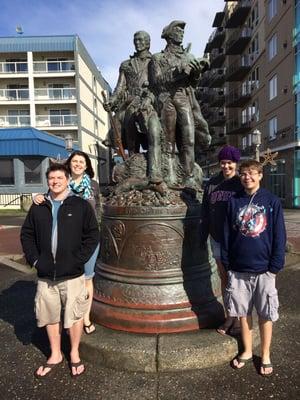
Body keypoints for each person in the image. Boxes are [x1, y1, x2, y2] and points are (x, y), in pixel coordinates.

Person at [21, 163, 100, 378]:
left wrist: (79, 260)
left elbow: (93, 235)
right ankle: (55, 354)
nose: (55, 182)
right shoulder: (38, 206)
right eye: (51, 179)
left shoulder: (80, 205)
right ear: (48, 181)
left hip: (73, 273)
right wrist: (35, 261)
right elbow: (27, 235)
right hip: (46, 275)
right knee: (50, 316)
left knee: (74, 316)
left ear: (67, 180)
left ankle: (74, 353)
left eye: (59, 178)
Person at [221, 160, 286, 376]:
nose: (246, 177)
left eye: (251, 173)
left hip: (264, 269)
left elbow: (279, 235)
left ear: (260, 175)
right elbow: (227, 234)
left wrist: (275, 266)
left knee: (266, 314)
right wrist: (227, 262)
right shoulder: (234, 201)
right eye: (243, 174)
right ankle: (248, 351)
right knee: (242, 313)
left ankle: (265, 354)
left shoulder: (272, 201)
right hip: (238, 270)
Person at [34, 150, 100, 335]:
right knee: (66, 281)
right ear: (69, 164)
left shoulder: (93, 185)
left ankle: (84, 317)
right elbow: (49, 200)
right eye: (75, 161)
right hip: (66, 240)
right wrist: (36, 197)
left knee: (87, 279)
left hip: (87, 238)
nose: (78, 164)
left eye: (82, 161)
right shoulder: (61, 182)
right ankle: (65, 316)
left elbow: (99, 209)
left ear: (87, 166)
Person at [149, 20, 211, 187]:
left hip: (183, 97)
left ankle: (189, 176)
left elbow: (193, 84)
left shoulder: (188, 56)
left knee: (189, 139)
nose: (181, 33)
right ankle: (169, 175)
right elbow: (156, 82)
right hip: (166, 98)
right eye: (177, 30)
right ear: (168, 35)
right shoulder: (157, 58)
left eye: (182, 31)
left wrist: (197, 72)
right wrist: (178, 71)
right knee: (168, 142)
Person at [104, 30, 163, 184]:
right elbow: (120, 87)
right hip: (130, 101)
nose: (138, 43)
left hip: (150, 100)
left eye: (141, 40)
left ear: (148, 42)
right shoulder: (126, 65)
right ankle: (131, 159)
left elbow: (159, 84)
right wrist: (111, 100)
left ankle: (155, 162)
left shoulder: (156, 61)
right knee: (126, 122)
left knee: (153, 127)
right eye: (135, 40)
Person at [200, 145, 242, 336]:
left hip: (235, 240)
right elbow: (205, 211)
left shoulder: (241, 183)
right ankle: (230, 315)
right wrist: (203, 235)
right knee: (224, 278)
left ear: (236, 163)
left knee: (237, 279)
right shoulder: (212, 183)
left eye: (230, 163)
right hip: (216, 238)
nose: (226, 166)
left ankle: (240, 318)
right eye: (223, 163)